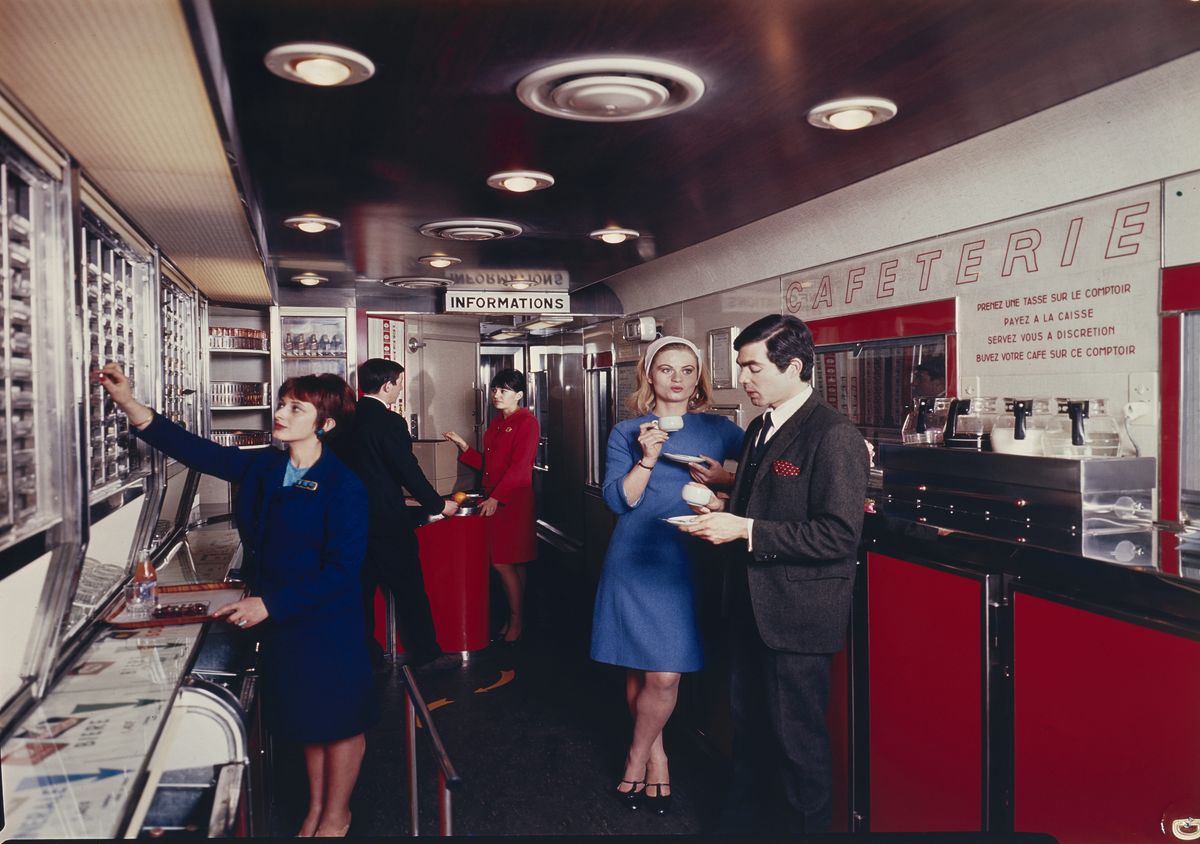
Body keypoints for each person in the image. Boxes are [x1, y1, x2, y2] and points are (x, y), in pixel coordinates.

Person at [97, 362, 376, 838]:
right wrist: (127, 403)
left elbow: (342, 571)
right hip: (284, 621)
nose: (280, 414)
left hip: (326, 623)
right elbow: (196, 450)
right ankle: (315, 811)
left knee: (341, 722)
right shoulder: (266, 466)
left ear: (325, 424)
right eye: (282, 403)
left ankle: (337, 815)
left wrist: (268, 605)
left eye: (296, 408)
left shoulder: (344, 487)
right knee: (311, 719)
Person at [682, 314, 870, 834]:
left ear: (794, 366)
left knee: (796, 748)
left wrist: (744, 529)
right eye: (742, 366)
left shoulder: (833, 435)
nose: (743, 379)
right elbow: (759, 508)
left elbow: (837, 535)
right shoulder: (759, 428)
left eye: (753, 367)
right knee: (750, 737)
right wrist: (719, 511)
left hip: (796, 620)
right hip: (750, 609)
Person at [590, 337, 744, 815]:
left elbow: (766, 480)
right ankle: (653, 756)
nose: (677, 379)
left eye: (687, 370)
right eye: (666, 369)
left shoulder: (720, 429)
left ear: (698, 379)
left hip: (690, 559)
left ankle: (637, 754)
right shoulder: (628, 431)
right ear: (649, 376)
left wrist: (724, 483)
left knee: (662, 671)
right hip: (637, 556)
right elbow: (618, 501)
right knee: (644, 664)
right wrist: (648, 458)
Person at [331, 358, 462, 676]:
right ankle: (427, 656)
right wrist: (438, 505)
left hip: (349, 522)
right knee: (410, 590)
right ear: (387, 385)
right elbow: (408, 471)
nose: (401, 389)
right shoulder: (390, 422)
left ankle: (369, 659)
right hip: (388, 522)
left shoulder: (343, 419)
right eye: (400, 383)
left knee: (359, 594)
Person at [443, 369, 538, 644]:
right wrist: (464, 446)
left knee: (502, 562)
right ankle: (515, 618)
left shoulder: (527, 422)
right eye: (495, 389)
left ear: (519, 395)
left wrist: (496, 497)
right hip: (496, 496)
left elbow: (520, 467)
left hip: (512, 500)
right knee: (514, 562)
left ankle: (517, 621)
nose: (497, 395)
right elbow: (490, 466)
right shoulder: (497, 423)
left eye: (504, 390)